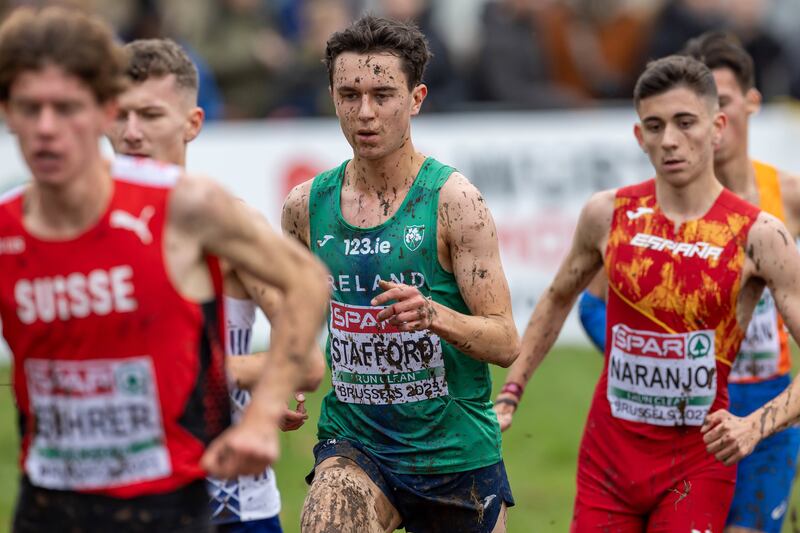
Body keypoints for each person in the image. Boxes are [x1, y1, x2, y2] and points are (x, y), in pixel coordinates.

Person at [0, 7, 328, 532]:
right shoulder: (8, 226)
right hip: (50, 503)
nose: (46, 128)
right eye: (28, 108)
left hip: (204, 500)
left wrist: (259, 413)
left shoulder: (198, 209)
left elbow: (309, 295)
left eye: (65, 108)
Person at [495, 54, 800, 531]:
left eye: (685, 123)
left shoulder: (759, 235)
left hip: (696, 467)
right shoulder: (607, 214)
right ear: (639, 136)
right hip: (608, 462)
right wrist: (512, 391)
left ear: (718, 126)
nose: (670, 141)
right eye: (654, 126)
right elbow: (557, 297)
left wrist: (753, 425)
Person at [282, 14, 520, 533]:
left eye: (383, 94)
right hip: (355, 446)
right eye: (349, 94)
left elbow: (505, 342)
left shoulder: (455, 201)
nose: (364, 112)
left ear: (416, 98)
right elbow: (296, 320)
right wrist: (284, 379)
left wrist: (433, 314)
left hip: (454, 454)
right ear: (332, 96)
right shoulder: (305, 206)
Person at [106, 38, 325, 533]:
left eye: (151, 115)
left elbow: (308, 364)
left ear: (192, 124)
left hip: (226, 505)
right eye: (119, 114)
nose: (132, 133)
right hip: (112, 499)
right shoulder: (83, 229)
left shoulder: (229, 226)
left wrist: (212, 375)